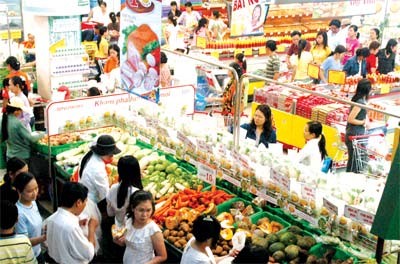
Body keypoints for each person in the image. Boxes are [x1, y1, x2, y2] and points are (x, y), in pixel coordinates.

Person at [78, 135, 121, 250]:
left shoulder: (90, 156)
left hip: (85, 196)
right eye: (111, 155)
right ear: (104, 153)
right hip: (90, 204)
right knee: (93, 236)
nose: (112, 157)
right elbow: (105, 196)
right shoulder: (97, 170)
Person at [46, 182, 98, 264]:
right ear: (78, 202)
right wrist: (91, 228)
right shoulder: (72, 228)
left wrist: (77, 222)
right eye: (85, 201)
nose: (85, 204)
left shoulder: (51, 219)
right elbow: (89, 254)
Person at [113, 190, 167, 264]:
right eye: (141, 210)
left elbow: (162, 256)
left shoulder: (154, 230)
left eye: (148, 210)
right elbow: (127, 243)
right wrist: (118, 241)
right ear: (133, 208)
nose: (144, 215)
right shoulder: (128, 220)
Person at [13, 172, 45, 262]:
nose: (35, 193)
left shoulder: (33, 203)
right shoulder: (19, 213)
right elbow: (24, 242)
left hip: (38, 251)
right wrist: (43, 238)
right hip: (29, 258)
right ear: (19, 191)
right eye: (30, 191)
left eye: (36, 188)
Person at [1, 97, 43, 162]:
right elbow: (31, 138)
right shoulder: (17, 123)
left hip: (9, 156)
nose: (21, 112)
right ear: (16, 111)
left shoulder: (2, 120)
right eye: (21, 110)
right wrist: (43, 134)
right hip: (21, 157)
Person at [107, 155, 143, 227]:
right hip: (132, 230)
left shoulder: (113, 188)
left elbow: (110, 213)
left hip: (118, 228)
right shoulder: (137, 193)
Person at [345, 79, 371, 173]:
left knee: (354, 161)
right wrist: (363, 122)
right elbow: (350, 119)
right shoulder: (360, 103)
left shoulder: (357, 100)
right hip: (354, 136)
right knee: (354, 163)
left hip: (354, 134)